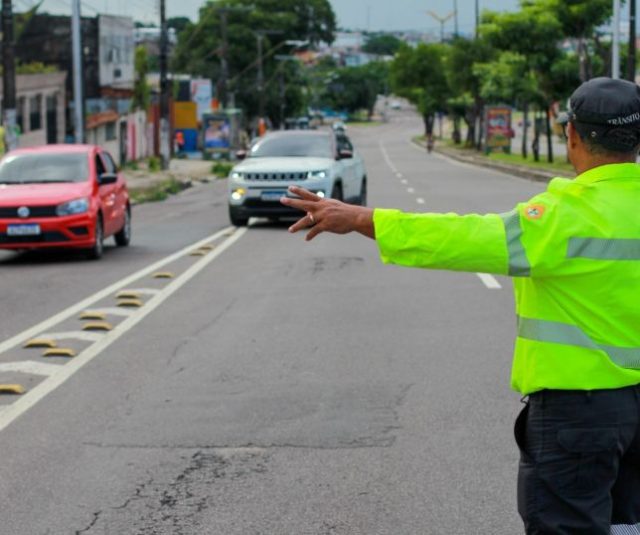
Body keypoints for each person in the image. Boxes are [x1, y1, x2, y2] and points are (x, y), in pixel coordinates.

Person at [280, 77, 640, 534]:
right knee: (628, 525)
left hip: (579, 417)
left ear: (571, 136)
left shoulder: (562, 218)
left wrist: (361, 218)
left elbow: (463, 238)